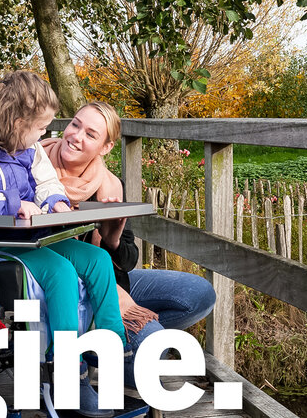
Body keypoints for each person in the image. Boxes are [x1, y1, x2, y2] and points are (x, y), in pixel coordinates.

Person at [0, 71, 123, 418]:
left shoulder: (26, 146)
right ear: (17, 122)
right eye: (40, 127)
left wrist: (57, 203)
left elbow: (46, 182)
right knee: (60, 271)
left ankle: (110, 353)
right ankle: (68, 375)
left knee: (96, 260)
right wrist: (10, 204)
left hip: (27, 236)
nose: (45, 135)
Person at [39, 101, 217, 385]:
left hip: (110, 283)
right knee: (153, 352)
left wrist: (112, 239)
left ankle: (107, 346)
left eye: (91, 134)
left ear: (106, 148)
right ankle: (109, 350)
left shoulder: (109, 186)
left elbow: (128, 260)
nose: (76, 136)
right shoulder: (35, 168)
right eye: (75, 124)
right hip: (58, 289)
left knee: (199, 293)